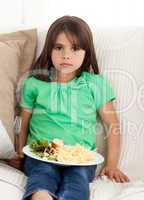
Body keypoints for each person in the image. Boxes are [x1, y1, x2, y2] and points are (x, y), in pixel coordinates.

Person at [16, 15, 129, 200]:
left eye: (75, 48)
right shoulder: (35, 83)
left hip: (81, 159)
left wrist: (112, 164)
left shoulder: (95, 84)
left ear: (86, 52)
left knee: (77, 180)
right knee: (42, 173)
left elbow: (112, 125)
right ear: (49, 50)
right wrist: (20, 151)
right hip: (41, 155)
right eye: (59, 48)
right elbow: (23, 122)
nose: (66, 55)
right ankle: (41, 195)